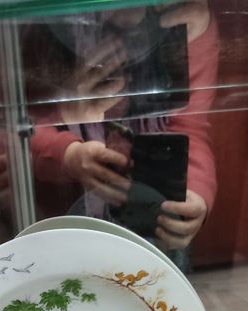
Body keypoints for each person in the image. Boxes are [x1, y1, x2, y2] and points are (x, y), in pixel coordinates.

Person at [29, 1, 219, 271]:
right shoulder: (44, 30)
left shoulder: (186, 20)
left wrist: (197, 194)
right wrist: (66, 151)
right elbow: (17, 127)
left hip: (155, 218)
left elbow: (190, 126)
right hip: (64, 223)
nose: (130, 17)